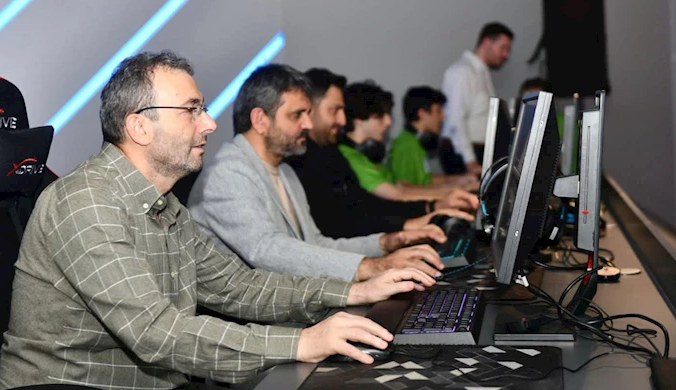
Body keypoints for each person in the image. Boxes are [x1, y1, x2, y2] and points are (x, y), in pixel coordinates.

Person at [0, 51, 435, 390]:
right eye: (192, 110)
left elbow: (239, 286)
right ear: (139, 126)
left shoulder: (163, 204)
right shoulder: (87, 203)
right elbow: (157, 333)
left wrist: (355, 291)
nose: (208, 123)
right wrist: (303, 341)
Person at [188, 64, 448, 283]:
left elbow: (315, 244)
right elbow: (267, 250)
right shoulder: (228, 172)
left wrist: (386, 243)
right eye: (297, 115)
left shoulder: (285, 172)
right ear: (260, 120)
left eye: (309, 114)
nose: (308, 124)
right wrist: (372, 267)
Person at [287, 69, 473, 238]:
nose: (343, 120)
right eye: (335, 110)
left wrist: (430, 207)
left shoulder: (331, 152)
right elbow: (340, 224)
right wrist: (408, 225)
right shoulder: (305, 161)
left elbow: (366, 203)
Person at [339, 81, 479, 209]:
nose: (388, 122)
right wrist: (455, 192)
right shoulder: (352, 159)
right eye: (380, 116)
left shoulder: (367, 156)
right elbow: (398, 193)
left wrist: (457, 184)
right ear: (358, 120)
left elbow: (406, 186)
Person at [442, 22, 514, 175]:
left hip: (479, 151)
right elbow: (455, 118)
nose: (505, 55)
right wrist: (469, 159)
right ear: (486, 42)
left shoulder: (482, 72)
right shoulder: (462, 72)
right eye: (503, 48)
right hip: (463, 155)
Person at [388, 86, 478, 191]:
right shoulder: (406, 146)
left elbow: (424, 179)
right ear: (421, 114)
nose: (443, 116)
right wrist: (457, 187)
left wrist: (459, 179)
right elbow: (405, 188)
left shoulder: (415, 141)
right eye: (438, 111)